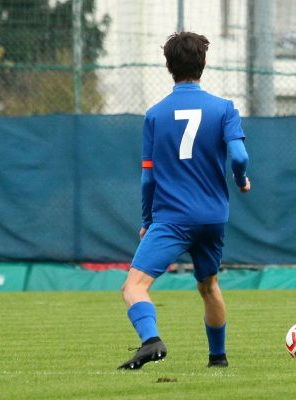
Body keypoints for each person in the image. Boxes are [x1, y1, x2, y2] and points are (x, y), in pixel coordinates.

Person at [118, 32, 250, 370]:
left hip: (172, 218)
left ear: (168, 66)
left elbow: (148, 178)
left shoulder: (155, 115)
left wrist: (147, 220)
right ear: (203, 64)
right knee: (208, 285)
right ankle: (218, 359)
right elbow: (239, 157)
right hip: (212, 216)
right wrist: (240, 180)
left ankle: (150, 341)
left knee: (134, 287)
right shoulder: (224, 109)